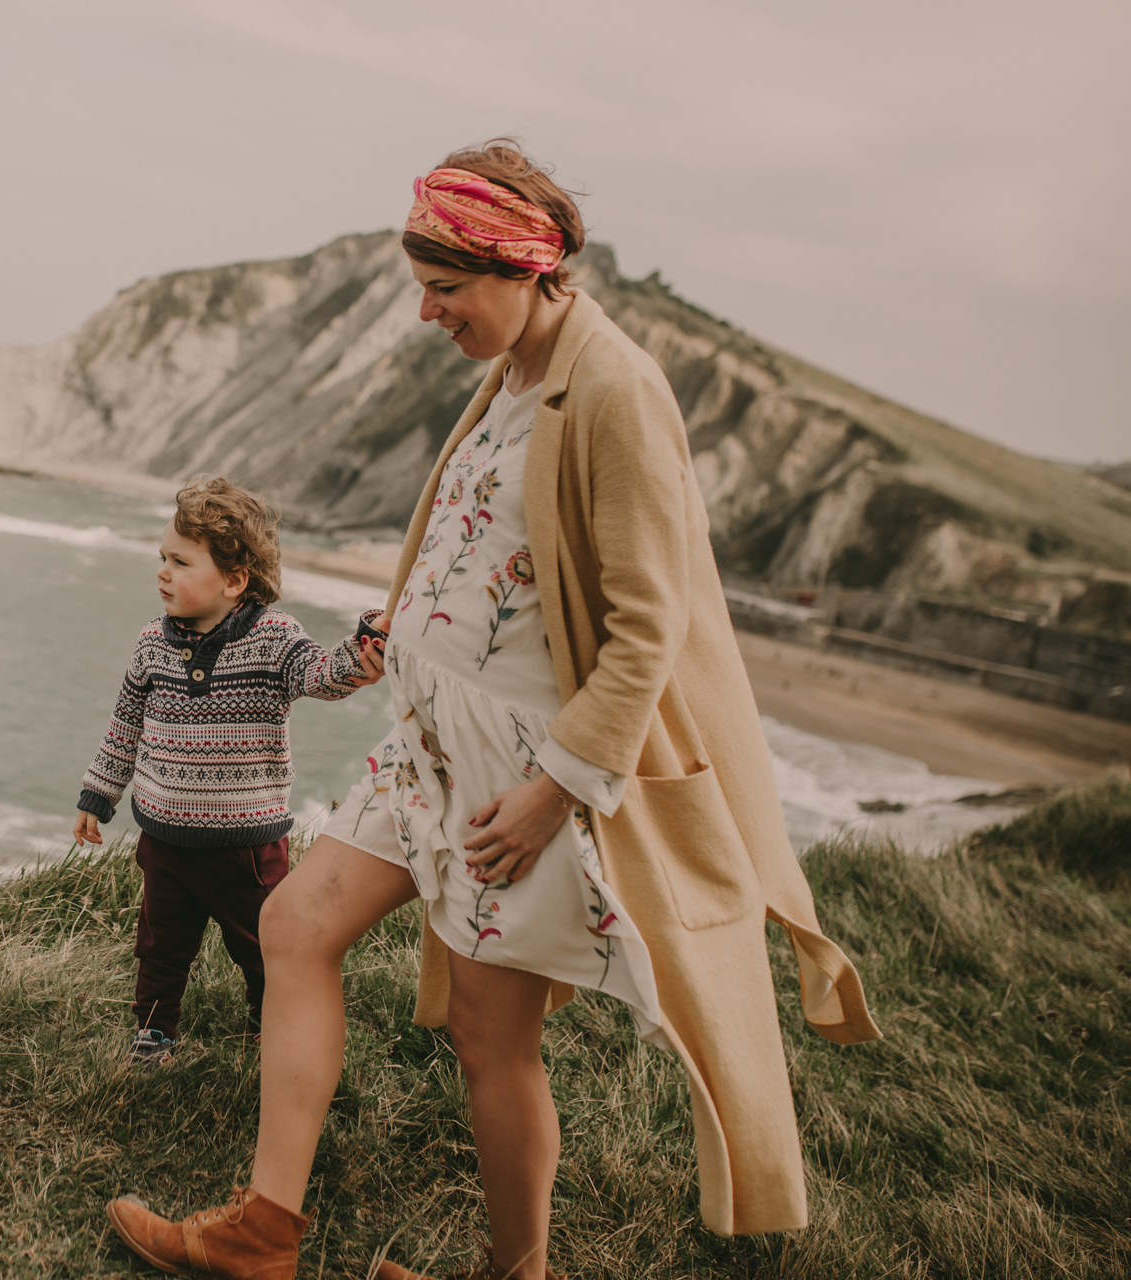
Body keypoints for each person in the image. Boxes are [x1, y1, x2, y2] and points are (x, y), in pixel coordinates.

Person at [106, 142, 881, 1280]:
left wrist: (555, 789)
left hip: (520, 776)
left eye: (446, 287)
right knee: (295, 925)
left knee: (489, 1035)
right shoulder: (515, 366)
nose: (427, 311)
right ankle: (265, 1231)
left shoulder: (615, 388)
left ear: (523, 267)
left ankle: (519, 1271)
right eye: (422, 284)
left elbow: (646, 626)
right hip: (422, 752)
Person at [74, 477, 387, 1064]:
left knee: (266, 945)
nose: (162, 572)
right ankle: (155, 1032)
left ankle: (268, 1024)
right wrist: (98, 794)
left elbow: (320, 674)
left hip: (247, 846)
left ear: (234, 579)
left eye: (179, 562)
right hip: (164, 838)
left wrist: (363, 655)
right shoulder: (151, 645)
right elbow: (125, 726)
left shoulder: (272, 639)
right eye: (161, 559)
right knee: (160, 944)